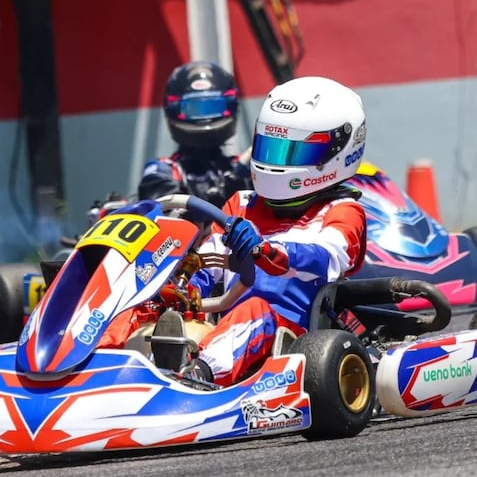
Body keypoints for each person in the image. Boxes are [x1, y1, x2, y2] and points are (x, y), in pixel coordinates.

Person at [99, 75, 369, 387]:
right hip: (225, 323)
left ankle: (195, 379)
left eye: (291, 154)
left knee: (255, 311)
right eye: (269, 148)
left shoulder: (342, 211)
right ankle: (98, 366)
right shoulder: (241, 203)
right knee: (148, 299)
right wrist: (184, 292)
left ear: (337, 153)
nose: (274, 163)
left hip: (293, 339)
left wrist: (263, 250)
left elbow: (326, 258)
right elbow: (206, 263)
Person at [137, 60, 252, 208]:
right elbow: (162, 214)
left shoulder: (241, 167)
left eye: (212, 106)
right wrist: (219, 198)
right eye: (194, 109)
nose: (205, 118)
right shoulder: (164, 170)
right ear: (173, 109)